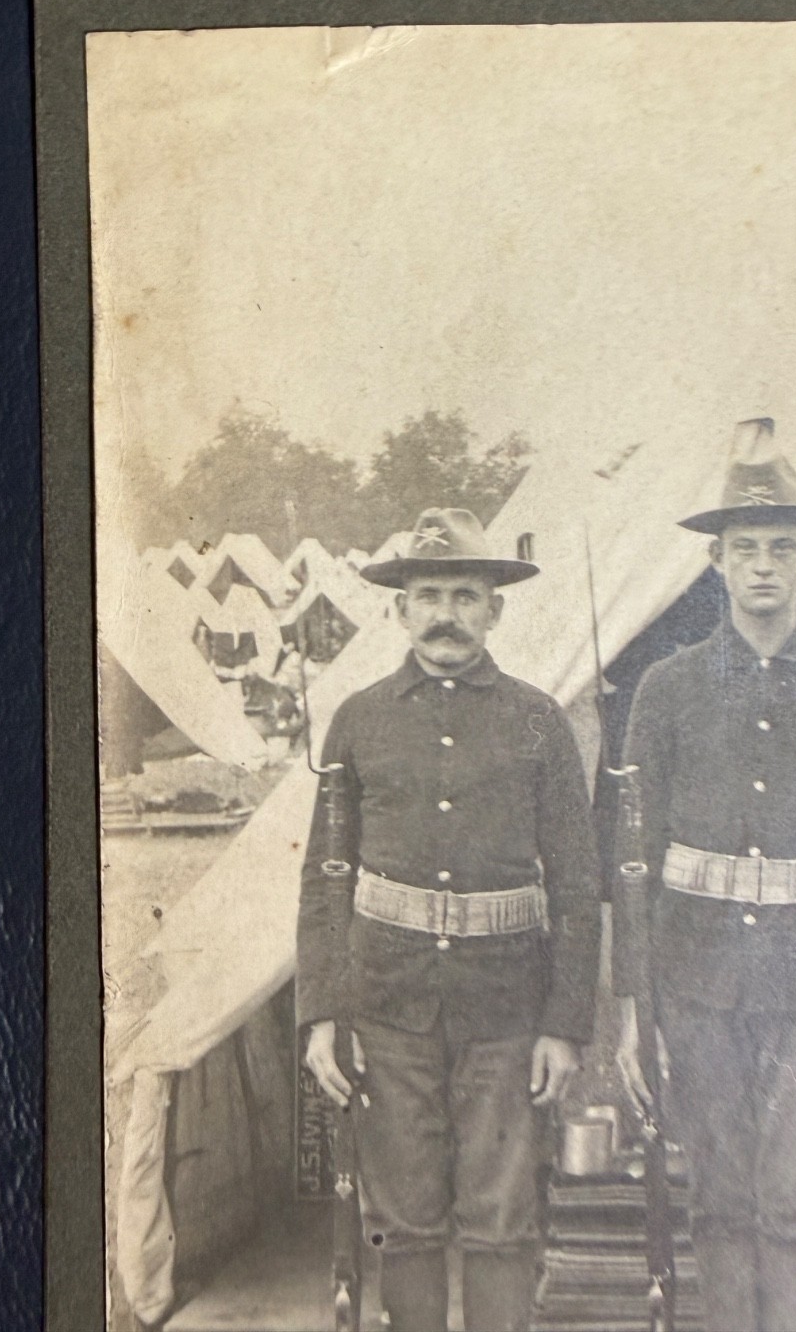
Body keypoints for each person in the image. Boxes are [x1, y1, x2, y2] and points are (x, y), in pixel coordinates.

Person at [613, 421, 796, 1332]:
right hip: (696, 983)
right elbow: (631, 863)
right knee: (717, 1194)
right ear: (715, 563)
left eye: (783, 547)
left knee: (788, 1193)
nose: (763, 568)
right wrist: (634, 1006)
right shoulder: (665, 690)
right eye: (744, 549)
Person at [297, 507, 602, 1332]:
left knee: (502, 1219)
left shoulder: (539, 721)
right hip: (388, 1008)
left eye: (465, 596)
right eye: (428, 595)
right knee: (404, 1219)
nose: (445, 615)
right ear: (398, 610)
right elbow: (327, 878)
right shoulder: (357, 719)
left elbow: (578, 883)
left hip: (507, 1010)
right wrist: (324, 1012)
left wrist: (566, 1024)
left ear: (495, 609)